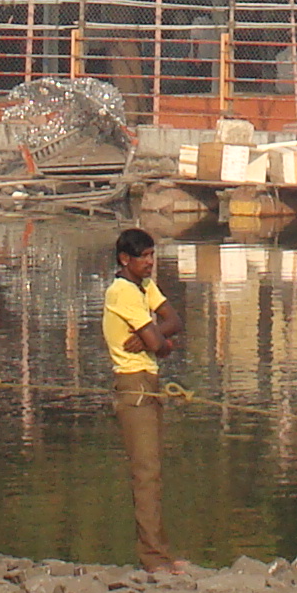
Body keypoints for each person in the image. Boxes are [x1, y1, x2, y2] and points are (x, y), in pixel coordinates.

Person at [103, 227, 188, 573]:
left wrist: (154, 336)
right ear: (126, 259)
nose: (151, 263)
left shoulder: (144, 286)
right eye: (145, 257)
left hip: (149, 382)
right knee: (145, 471)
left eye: (153, 256)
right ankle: (152, 557)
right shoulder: (121, 291)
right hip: (133, 385)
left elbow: (174, 320)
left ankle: (161, 551)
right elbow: (159, 345)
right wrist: (159, 341)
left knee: (154, 471)